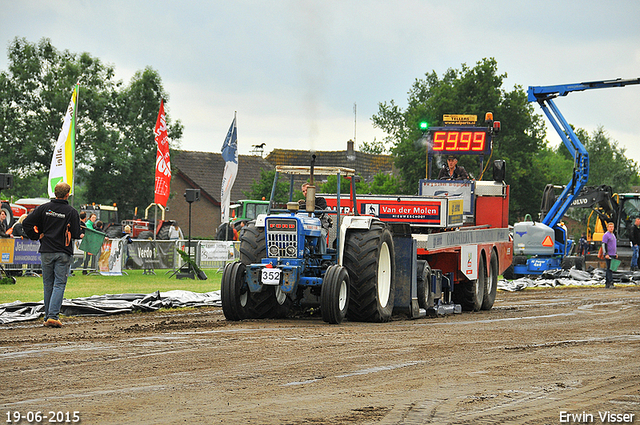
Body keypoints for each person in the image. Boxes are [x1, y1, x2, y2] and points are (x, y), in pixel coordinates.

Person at [22, 182, 83, 328]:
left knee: (48, 284)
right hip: (63, 251)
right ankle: (53, 316)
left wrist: (37, 236)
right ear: (67, 194)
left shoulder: (43, 208)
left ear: (55, 193)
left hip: (46, 251)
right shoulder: (71, 211)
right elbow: (75, 233)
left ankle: (47, 316)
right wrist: (80, 234)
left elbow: (27, 223)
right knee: (59, 284)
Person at [299, 182, 330, 253]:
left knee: (321, 234)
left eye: (307, 190)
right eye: (303, 191)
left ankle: (322, 255)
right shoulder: (302, 205)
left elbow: (320, 211)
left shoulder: (320, 201)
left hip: (320, 226)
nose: (305, 192)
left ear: (312, 190)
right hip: (306, 227)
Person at [601, 221, 617, 288]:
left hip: (613, 254)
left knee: (611, 268)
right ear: (607, 228)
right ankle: (610, 282)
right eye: (610, 227)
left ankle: (607, 283)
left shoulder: (613, 235)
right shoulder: (606, 235)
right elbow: (604, 244)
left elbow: (614, 245)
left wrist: (616, 253)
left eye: (612, 227)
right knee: (609, 269)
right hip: (609, 254)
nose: (611, 228)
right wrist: (606, 253)